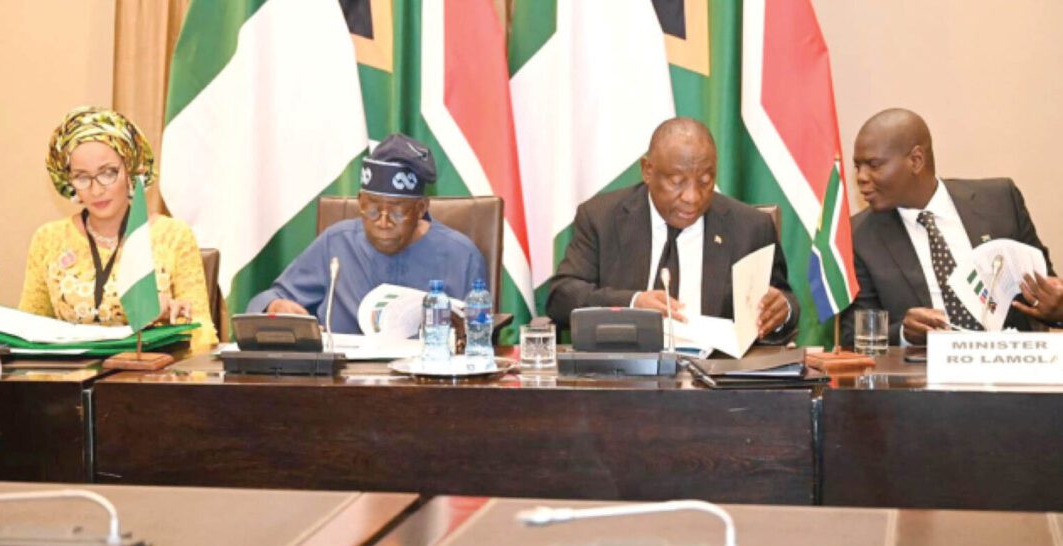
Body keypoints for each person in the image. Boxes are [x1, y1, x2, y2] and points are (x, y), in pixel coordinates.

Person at [546, 117, 799, 342]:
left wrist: (782, 310)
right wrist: (633, 303)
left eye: (705, 181)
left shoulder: (751, 227)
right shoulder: (601, 218)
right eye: (676, 182)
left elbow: (784, 301)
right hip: (625, 380)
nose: (693, 197)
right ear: (648, 170)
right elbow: (561, 298)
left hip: (719, 384)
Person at [842, 108, 1062, 346]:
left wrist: (1057, 309)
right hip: (926, 377)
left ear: (916, 160)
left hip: (1014, 368)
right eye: (858, 167)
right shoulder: (859, 236)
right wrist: (904, 334)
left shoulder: (1001, 201)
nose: (861, 177)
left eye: (873, 165)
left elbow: (1049, 292)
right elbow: (852, 335)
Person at [247, 133, 487, 334]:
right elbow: (271, 298)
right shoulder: (336, 244)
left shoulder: (461, 255)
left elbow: (480, 336)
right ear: (360, 201)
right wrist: (275, 305)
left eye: (397, 211)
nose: (383, 222)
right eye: (371, 209)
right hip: (343, 385)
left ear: (421, 208)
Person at [20, 106, 217, 349]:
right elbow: (27, 331)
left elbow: (204, 335)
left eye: (108, 173)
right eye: (82, 177)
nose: (96, 189)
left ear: (130, 171)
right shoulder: (48, 239)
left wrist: (173, 320)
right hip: (69, 380)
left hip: (146, 379)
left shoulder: (173, 236)